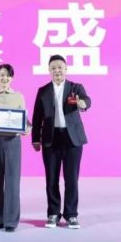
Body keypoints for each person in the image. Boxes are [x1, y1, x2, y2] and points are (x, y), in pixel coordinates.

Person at [31, 55, 91, 229]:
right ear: (49, 71)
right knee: (51, 179)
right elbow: (37, 117)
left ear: (66, 69)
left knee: (71, 179)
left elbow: (87, 100)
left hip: (72, 140)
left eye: (60, 67)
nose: (57, 70)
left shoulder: (75, 87)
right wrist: (35, 139)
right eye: (53, 68)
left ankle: (71, 215)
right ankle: (53, 214)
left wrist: (82, 104)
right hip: (51, 139)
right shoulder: (43, 91)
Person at [0, 63, 29, 232]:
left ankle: (11, 221)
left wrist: (26, 129)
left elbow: (25, 120)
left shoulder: (18, 97)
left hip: (12, 142)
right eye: (1, 75)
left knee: (12, 181)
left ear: (12, 78)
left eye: (7, 75)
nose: (4, 78)